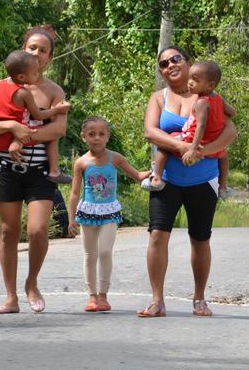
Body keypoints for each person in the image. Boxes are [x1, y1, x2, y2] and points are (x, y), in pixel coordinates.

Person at [0, 25, 68, 314]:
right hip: (5, 168)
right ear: (23, 50)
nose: (37, 53)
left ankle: (32, 282)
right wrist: (13, 127)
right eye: (32, 48)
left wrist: (23, 137)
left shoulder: (53, 91)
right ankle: (10, 296)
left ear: (50, 58)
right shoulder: (5, 86)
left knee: (39, 230)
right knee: (8, 231)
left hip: (39, 170)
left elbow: (59, 128)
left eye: (43, 50)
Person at [138, 45, 237, 318]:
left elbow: (231, 130)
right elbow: (150, 131)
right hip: (167, 179)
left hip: (203, 179)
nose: (170, 64)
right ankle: (157, 301)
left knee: (200, 239)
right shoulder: (159, 97)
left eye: (175, 58)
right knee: (157, 235)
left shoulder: (208, 95)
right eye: (163, 63)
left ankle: (199, 299)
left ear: (188, 62)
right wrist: (181, 146)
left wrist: (201, 150)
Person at [68, 117, 150, 312]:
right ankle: (92, 296)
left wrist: (157, 169)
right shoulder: (81, 163)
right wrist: (71, 219)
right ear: (83, 137)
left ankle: (103, 295)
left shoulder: (115, 158)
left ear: (108, 137)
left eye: (101, 134)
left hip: (110, 211)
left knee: (104, 251)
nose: (96, 138)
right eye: (91, 134)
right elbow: (74, 192)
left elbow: (137, 175)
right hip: (88, 212)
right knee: (89, 255)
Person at [0, 50, 71, 205]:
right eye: (35, 73)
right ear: (22, 77)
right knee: (52, 140)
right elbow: (38, 115)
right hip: (18, 138)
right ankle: (54, 170)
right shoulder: (24, 93)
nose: (37, 75)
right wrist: (57, 110)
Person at [142, 60, 235, 193]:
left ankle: (156, 177)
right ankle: (223, 187)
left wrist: (193, 149)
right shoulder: (218, 99)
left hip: (193, 141)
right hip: (210, 142)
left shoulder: (201, 102)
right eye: (163, 64)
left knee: (165, 143)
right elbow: (232, 113)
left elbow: (201, 127)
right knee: (223, 155)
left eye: (175, 59)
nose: (190, 82)